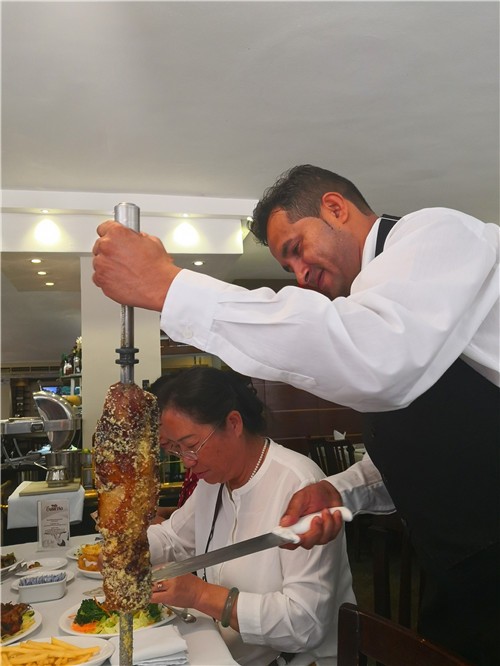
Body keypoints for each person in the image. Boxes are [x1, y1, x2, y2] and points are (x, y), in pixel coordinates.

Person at [93, 164, 499, 664]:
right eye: (289, 267)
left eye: (296, 248)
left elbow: (378, 359)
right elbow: (432, 445)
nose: (301, 275)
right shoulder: (381, 307)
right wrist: (342, 489)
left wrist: (170, 287)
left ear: (335, 207)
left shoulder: (438, 233)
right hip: (461, 569)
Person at [147, 366, 355, 666]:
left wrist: (201, 596)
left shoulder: (299, 486)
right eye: (176, 450)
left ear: (233, 423)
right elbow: (173, 538)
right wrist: (123, 548)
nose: (187, 462)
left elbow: (305, 624)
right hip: (230, 653)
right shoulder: (214, 481)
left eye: (191, 446)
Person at [147, 374, 199, 523]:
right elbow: (193, 514)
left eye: (159, 425)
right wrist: (170, 513)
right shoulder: (191, 461)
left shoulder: (204, 464)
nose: (157, 437)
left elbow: (205, 524)